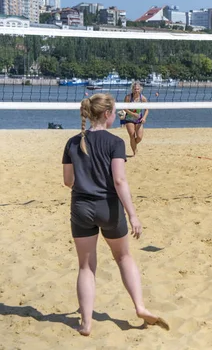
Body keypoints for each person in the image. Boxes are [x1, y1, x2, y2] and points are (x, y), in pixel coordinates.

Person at [62, 93, 168, 336]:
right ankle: (140, 307)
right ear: (108, 115)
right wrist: (133, 215)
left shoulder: (72, 142)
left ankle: (86, 323)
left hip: (81, 207)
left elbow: (68, 182)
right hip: (108, 207)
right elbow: (119, 181)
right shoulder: (115, 143)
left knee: (86, 267)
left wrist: (86, 177)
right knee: (123, 257)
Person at [123, 81, 149, 156]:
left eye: (137, 89)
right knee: (132, 135)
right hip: (129, 118)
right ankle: (135, 152)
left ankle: (133, 144)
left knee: (139, 137)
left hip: (139, 119)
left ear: (140, 89)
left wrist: (144, 117)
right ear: (132, 89)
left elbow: (147, 109)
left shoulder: (143, 98)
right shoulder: (128, 97)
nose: (136, 90)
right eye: (135, 89)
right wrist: (132, 114)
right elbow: (124, 108)